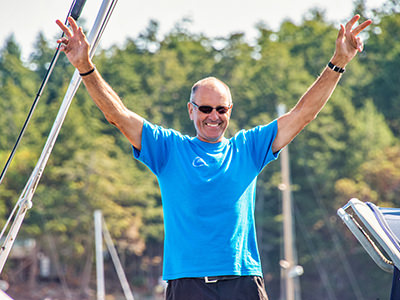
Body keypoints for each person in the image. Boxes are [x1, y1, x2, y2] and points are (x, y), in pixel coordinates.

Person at [56, 14, 372, 300]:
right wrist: (85, 66)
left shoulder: (248, 148)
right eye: (205, 109)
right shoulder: (169, 149)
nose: (213, 116)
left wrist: (338, 61)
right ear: (191, 111)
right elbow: (119, 115)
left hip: (243, 281)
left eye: (221, 109)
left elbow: (303, 114)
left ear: (229, 111)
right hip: (187, 284)